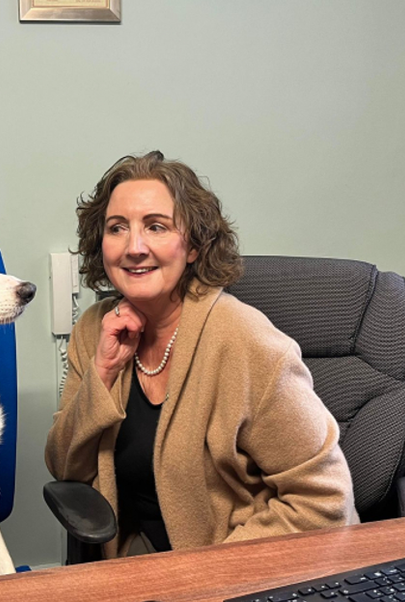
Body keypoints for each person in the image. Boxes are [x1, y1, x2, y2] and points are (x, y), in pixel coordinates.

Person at [45, 150, 358, 558]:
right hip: (138, 559)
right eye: (117, 228)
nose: (134, 247)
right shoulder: (94, 328)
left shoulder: (246, 342)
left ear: (193, 246)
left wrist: (206, 575)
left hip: (240, 562)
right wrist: (102, 373)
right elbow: (65, 467)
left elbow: (325, 499)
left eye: (156, 227)